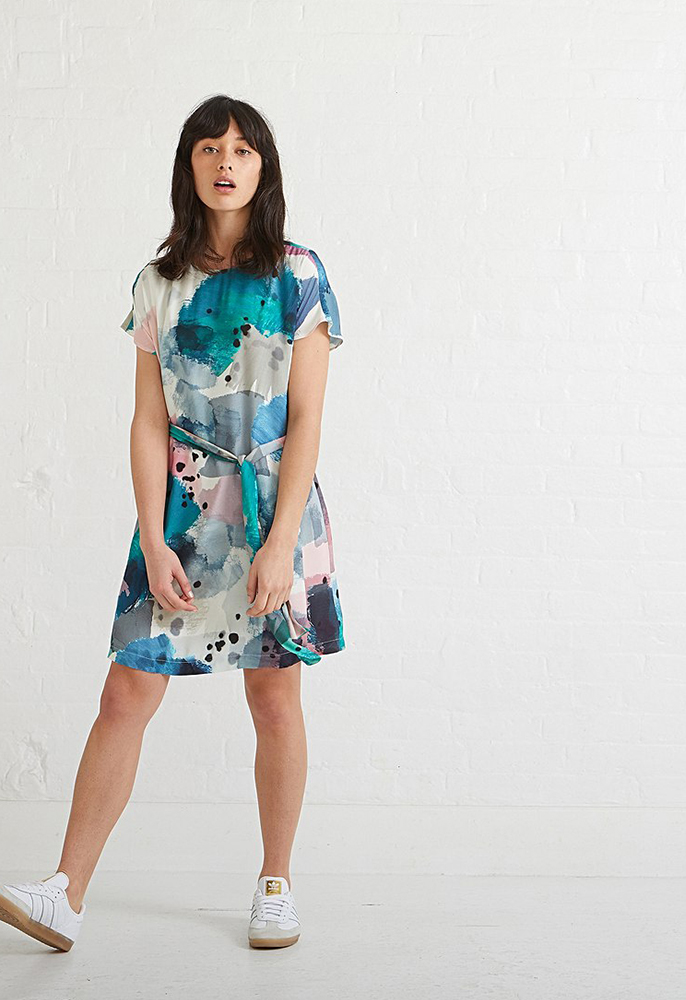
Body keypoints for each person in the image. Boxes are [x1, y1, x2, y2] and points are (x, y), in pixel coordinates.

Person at [0, 94, 346, 953]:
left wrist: (280, 542)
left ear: (263, 168)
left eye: (242, 150)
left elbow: (306, 419)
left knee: (273, 696)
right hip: (182, 509)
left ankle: (275, 883)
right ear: (187, 166)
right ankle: (64, 892)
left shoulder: (298, 274)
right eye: (208, 149)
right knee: (126, 690)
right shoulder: (157, 282)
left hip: (273, 508)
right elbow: (148, 420)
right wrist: (152, 539)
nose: (225, 163)